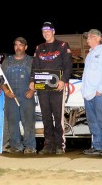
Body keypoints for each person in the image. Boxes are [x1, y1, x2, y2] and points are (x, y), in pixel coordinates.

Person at [29, 22, 73, 154]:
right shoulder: (39, 48)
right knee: (46, 117)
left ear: (53, 31)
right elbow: (34, 67)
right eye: (43, 31)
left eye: (48, 31)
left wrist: (64, 80)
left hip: (57, 88)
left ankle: (60, 145)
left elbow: (68, 65)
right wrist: (32, 80)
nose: (46, 33)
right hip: (42, 88)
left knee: (57, 117)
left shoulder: (63, 45)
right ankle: (48, 145)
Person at [81, 29, 102, 157]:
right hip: (88, 94)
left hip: (98, 94)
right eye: (88, 37)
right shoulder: (89, 54)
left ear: (97, 38)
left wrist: (100, 90)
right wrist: (84, 91)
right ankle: (97, 146)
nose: (87, 39)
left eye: (89, 37)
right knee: (93, 122)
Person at [1, 37, 36, 154]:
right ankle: (16, 146)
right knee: (12, 122)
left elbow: (38, 77)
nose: (18, 47)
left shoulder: (32, 61)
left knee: (29, 122)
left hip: (27, 96)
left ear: (25, 47)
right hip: (11, 96)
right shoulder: (7, 61)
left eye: (21, 45)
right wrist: (6, 91)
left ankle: (30, 146)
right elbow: (0, 79)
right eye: (16, 45)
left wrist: (32, 91)